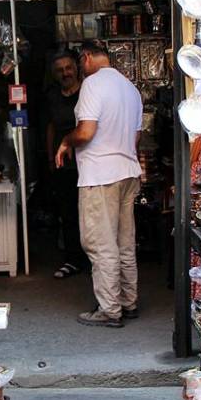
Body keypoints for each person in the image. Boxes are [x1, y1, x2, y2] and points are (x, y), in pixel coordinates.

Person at [55, 41, 142, 328]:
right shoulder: (130, 88)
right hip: (128, 171)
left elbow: (86, 131)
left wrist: (67, 141)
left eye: (80, 63)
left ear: (87, 57)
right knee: (124, 243)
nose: (80, 68)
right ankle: (128, 302)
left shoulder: (92, 85)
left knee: (100, 244)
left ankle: (109, 309)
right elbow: (136, 138)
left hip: (100, 175)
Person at [45, 50, 89, 279]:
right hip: (64, 164)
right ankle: (73, 260)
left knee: (89, 212)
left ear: (76, 68)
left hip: (87, 162)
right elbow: (51, 126)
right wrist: (50, 157)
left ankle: (94, 261)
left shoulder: (87, 92)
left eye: (68, 68)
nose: (65, 73)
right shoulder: (53, 96)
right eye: (60, 70)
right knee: (68, 213)